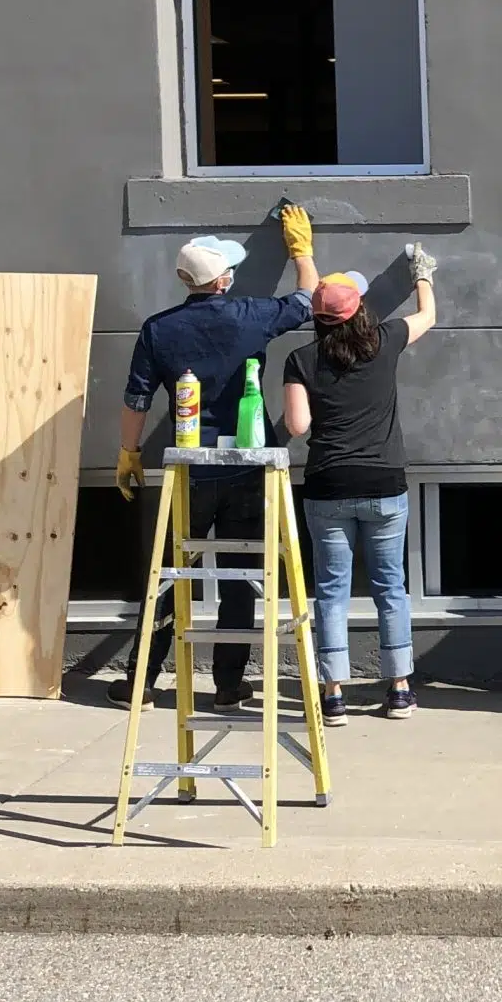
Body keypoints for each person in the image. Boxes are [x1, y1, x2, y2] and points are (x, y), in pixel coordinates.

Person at [112, 204, 320, 708]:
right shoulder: (252, 315)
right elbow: (310, 299)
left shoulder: (159, 330)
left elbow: (136, 399)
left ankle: (141, 682)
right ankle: (229, 685)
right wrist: (302, 250)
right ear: (223, 281)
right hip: (247, 465)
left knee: (167, 575)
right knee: (239, 573)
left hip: (189, 468)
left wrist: (128, 453)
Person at [280, 251, 436, 727]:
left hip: (327, 485)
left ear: (317, 317)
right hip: (384, 483)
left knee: (331, 591)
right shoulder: (385, 342)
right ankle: (400, 691)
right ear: (359, 310)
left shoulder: (300, 359)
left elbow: (297, 424)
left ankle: (333, 696)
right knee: (391, 587)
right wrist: (422, 275)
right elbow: (428, 316)